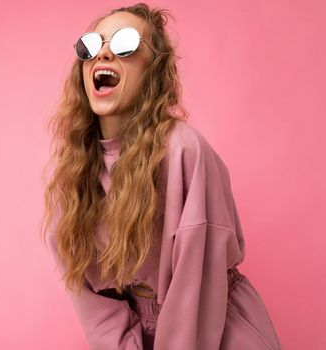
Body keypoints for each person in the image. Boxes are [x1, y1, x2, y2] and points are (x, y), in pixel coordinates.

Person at [41, 3, 283, 350]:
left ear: (153, 69)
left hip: (211, 326)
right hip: (143, 328)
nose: (104, 53)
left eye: (124, 43)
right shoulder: (73, 168)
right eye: (92, 45)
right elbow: (89, 294)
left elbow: (195, 286)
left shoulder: (184, 150)